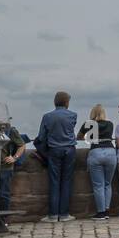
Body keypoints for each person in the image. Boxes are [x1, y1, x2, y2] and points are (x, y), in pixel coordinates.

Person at [36, 92, 78, 222]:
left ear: (55, 102)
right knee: (66, 182)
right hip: (69, 150)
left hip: (54, 150)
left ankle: (53, 215)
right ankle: (64, 214)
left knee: (54, 182)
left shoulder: (47, 116)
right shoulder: (73, 115)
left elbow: (41, 136)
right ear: (67, 102)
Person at [79, 105, 117, 220]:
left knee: (98, 185)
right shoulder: (110, 124)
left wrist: (87, 137)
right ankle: (106, 210)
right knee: (107, 184)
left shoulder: (89, 123)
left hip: (96, 152)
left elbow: (80, 137)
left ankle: (101, 213)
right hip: (110, 152)